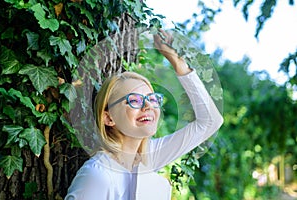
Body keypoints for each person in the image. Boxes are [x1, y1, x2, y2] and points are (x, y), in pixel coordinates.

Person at [64, 30, 223, 200]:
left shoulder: (149, 157)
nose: (148, 106)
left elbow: (210, 121)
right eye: (134, 100)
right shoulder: (97, 175)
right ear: (109, 118)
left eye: (152, 99)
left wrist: (178, 63)